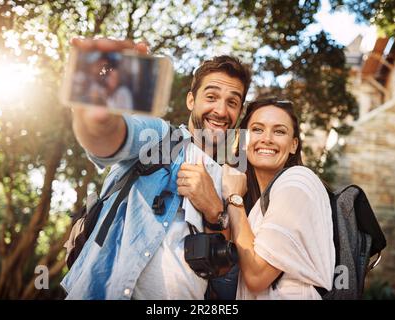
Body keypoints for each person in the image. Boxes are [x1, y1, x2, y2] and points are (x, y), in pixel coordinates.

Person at [61, 38, 252, 300]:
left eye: (232, 102)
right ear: (190, 100)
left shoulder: (233, 184)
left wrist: (215, 213)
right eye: (211, 97)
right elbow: (108, 139)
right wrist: (96, 116)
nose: (221, 110)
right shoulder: (159, 137)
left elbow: (226, 286)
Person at [222, 97, 335, 299]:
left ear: (293, 145)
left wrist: (233, 198)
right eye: (257, 129)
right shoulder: (259, 202)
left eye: (279, 131)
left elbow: (257, 276)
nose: (267, 138)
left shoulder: (298, 182)